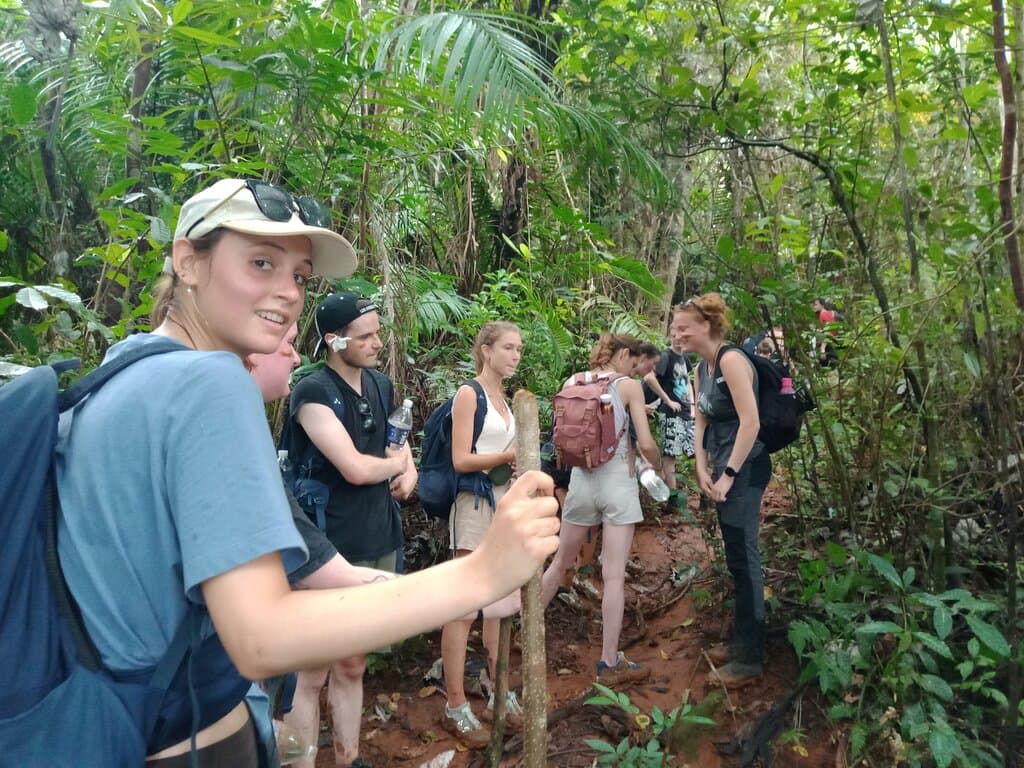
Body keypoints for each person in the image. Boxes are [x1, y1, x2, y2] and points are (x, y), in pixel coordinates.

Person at [54, 178, 560, 766]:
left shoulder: (126, 368)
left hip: (110, 721)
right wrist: (481, 574)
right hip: (184, 737)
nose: (287, 292)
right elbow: (262, 637)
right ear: (188, 262)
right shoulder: (209, 382)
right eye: (261, 262)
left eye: (297, 275)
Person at [282, 291, 417, 768]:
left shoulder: (380, 385)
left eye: (378, 332)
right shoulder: (311, 391)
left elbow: (396, 445)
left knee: (354, 661)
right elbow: (356, 468)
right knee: (311, 669)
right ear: (335, 341)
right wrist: (393, 464)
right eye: (366, 336)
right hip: (325, 545)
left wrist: (408, 468)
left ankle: (349, 756)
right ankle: (299, 759)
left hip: (376, 534)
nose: (378, 342)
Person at [540, 334, 662, 684]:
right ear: (624, 354)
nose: (638, 367)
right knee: (612, 576)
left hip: (580, 482)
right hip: (617, 485)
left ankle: (524, 629)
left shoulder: (573, 381)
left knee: (561, 562)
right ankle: (609, 661)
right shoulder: (629, 387)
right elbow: (648, 443)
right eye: (635, 360)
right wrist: (652, 462)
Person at [675, 293, 771, 685]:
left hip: (745, 471)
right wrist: (700, 466)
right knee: (734, 555)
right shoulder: (703, 368)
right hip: (721, 470)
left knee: (745, 557)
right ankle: (740, 640)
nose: (676, 333)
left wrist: (728, 473)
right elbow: (700, 418)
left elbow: (751, 423)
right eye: (675, 326)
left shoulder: (732, 360)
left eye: (683, 327)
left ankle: (750, 658)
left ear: (707, 326)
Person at [440, 322, 524, 747]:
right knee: (464, 602)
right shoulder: (469, 394)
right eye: (508, 347)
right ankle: (455, 703)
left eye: (519, 349)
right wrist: (510, 453)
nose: (515, 355)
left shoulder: (507, 400)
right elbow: (460, 459)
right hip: (474, 504)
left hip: (504, 504)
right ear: (486, 350)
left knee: (499, 600)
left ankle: (498, 692)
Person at [643, 313, 695, 509]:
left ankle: (697, 497)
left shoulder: (684, 358)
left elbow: (687, 380)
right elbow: (649, 377)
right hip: (670, 412)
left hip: (685, 412)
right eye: (676, 334)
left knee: (695, 450)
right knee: (670, 456)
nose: (680, 339)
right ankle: (672, 500)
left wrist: (692, 405)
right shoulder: (666, 356)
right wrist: (667, 400)